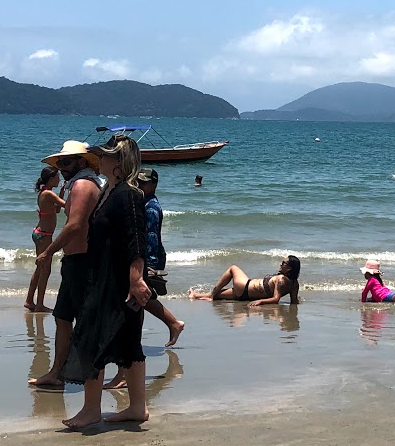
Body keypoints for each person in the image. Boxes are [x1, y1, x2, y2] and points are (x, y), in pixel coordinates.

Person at [60, 135, 154, 429]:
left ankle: (94, 409)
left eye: (104, 155)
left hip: (119, 282)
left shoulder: (129, 194)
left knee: (97, 340)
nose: (98, 159)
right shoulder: (107, 192)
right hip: (102, 277)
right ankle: (136, 408)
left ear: (118, 162)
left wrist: (136, 278)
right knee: (124, 341)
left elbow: (136, 239)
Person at [28, 142, 105, 391]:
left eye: (66, 162)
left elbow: (74, 225)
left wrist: (49, 251)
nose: (61, 168)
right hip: (74, 261)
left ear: (82, 162)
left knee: (87, 323)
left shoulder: (83, 185)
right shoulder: (79, 184)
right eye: (59, 163)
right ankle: (57, 372)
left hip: (84, 262)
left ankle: (103, 379)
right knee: (62, 317)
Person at [135, 168, 184, 347]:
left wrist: (149, 266)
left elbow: (152, 238)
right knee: (140, 299)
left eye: (144, 183)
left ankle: (173, 323)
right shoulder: (144, 201)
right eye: (138, 182)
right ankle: (171, 324)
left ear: (154, 184)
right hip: (148, 257)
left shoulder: (151, 208)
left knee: (140, 297)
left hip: (150, 257)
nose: (140, 185)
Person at [25, 165, 65, 312]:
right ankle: (39, 304)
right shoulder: (48, 194)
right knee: (45, 270)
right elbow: (66, 206)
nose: (59, 178)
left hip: (39, 233)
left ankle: (30, 300)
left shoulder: (45, 193)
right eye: (57, 177)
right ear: (51, 179)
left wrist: (61, 191)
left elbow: (57, 210)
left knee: (39, 268)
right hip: (44, 236)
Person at [190, 256, 301, 306]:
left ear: (290, 268)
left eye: (283, 263)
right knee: (219, 295)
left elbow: (276, 299)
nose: (280, 264)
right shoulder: (295, 284)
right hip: (246, 296)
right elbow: (294, 302)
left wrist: (261, 302)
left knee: (233, 268)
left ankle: (210, 295)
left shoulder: (281, 279)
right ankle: (196, 295)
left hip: (245, 287)